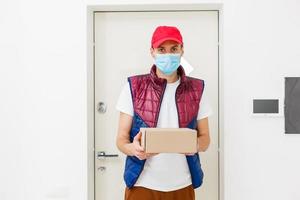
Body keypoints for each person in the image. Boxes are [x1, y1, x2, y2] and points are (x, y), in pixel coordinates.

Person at [115, 25, 213, 200]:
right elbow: (121, 140)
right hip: (142, 185)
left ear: (182, 50)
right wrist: (134, 149)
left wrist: (194, 145)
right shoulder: (133, 87)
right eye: (162, 49)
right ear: (152, 51)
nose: (168, 55)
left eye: (174, 49)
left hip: (183, 185)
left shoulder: (197, 89)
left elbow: (205, 140)